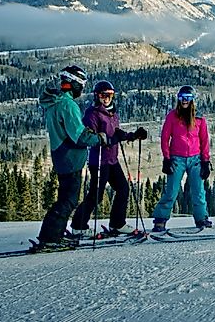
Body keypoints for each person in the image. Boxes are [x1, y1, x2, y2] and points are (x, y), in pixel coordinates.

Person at [36, 65, 107, 248]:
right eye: (81, 84)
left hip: (61, 155)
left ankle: (54, 235)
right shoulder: (68, 105)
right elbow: (79, 136)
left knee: (65, 197)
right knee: (68, 200)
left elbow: (70, 130)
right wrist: (98, 138)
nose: (82, 89)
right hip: (69, 158)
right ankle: (50, 238)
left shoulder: (55, 102)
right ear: (74, 84)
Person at [70, 80, 147, 238]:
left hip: (112, 160)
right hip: (98, 161)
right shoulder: (92, 114)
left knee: (123, 189)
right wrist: (112, 140)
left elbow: (116, 133)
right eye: (103, 95)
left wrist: (134, 136)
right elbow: (91, 137)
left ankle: (117, 224)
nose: (106, 98)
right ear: (97, 96)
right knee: (96, 195)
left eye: (109, 95)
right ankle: (78, 226)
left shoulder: (113, 113)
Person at [151, 85, 213, 232]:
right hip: (176, 158)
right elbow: (165, 138)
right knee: (172, 190)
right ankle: (160, 219)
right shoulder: (172, 116)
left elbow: (204, 141)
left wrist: (205, 161)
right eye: (182, 98)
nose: (184, 101)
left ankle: (201, 218)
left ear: (192, 100)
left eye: (188, 98)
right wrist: (166, 158)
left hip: (195, 159)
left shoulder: (199, 118)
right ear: (178, 99)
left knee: (198, 190)